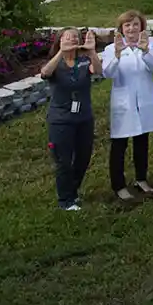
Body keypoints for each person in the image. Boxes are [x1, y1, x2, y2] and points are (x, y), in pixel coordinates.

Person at [99, 13, 153, 201]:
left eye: (135, 25)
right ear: (121, 29)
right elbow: (107, 73)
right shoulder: (112, 48)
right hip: (123, 103)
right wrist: (117, 55)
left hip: (144, 102)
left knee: (142, 141)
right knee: (119, 145)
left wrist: (145, 52)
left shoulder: (148, 45)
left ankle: (141, 179)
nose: (132, 29)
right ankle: (118, 185)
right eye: (127, 25)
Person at [40, 28, 99, 210]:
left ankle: (72, 192)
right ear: (59, 40)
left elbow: (97, 70)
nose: (72, 39)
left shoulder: (83, 61)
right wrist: (61, 53)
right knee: (63, 161)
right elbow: (45, 73)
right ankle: (65, 200)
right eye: (67, 37)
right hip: (61, 120)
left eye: (75, 36)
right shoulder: (56, 63)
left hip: (84, 117)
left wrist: (91, 51)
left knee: (83, 158)